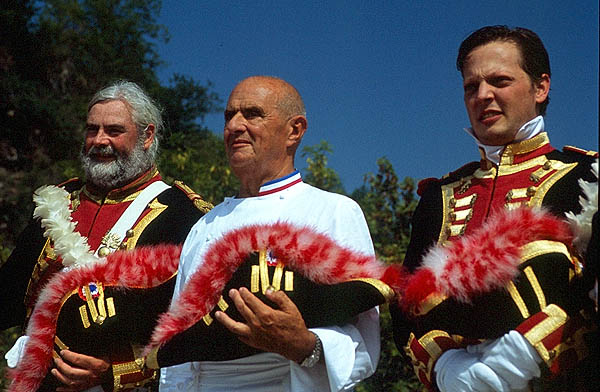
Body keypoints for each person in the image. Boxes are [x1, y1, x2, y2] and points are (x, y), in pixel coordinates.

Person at [391, 26, 598, 391]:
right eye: (471, 87)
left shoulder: (587, 178)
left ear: (541, 87)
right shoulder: (436, 198)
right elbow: (403, 309)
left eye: (499, 81)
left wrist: (525, 353)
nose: (483, 95)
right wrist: (446, 368)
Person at [159, 76, 382, 391]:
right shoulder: (204, 226)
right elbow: (177, 348)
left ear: (294, 130)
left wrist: (303, 344)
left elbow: (365, 340)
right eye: (228, 116)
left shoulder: (334, 211)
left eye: (252, 114)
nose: (234, 126)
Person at [1, 80, 212, 391]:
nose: (99, 140)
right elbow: (8, 296)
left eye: (114, 131)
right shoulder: (57, 201)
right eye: (92, 129)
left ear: (147, 136)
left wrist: (115, 372)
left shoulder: (183, 214)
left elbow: (199, 332)